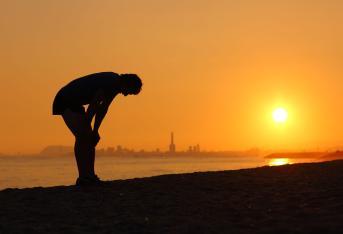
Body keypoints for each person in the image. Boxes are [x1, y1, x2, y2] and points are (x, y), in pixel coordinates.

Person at [52, 72, 142, 186]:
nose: (126, 95)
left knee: (89, 137)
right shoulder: (111, 82)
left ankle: (90, 175)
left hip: (76, 103)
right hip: (64, 100)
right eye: (129, 92)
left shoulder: (115, 87)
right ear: (127, 84)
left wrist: (95, 130)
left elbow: (103, 109)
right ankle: (83, 177)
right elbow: (94, 104)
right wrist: (88, 126)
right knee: (82, 136)